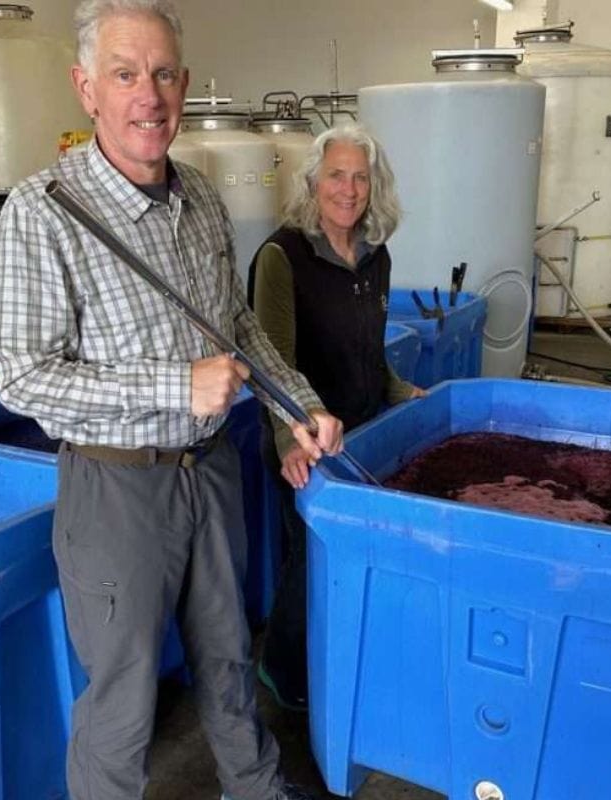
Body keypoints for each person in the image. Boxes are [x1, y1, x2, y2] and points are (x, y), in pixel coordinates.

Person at [0, 2, 342, 799]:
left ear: (183, 83)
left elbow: (239, 325)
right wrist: (173, 385)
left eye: (163, 73)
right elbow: (20, 378)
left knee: (227, 658)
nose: (148, 94)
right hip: (117, 490)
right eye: (124, 74)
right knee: (122, 704)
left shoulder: (204, 200)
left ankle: (254, 789)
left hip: (212, 470)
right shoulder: (41, 213)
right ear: (87, 89)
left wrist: (297, 409)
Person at [248, 124, 423, 710]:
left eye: (360, 177)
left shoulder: (376, 255)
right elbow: (270, 361)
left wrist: (399, 391)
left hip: (365, 431)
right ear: (312, 183)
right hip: (308, 443)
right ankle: (284, 673)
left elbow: (370, 346)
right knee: (309, 560)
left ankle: (347, 653)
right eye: (335, 175)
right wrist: (288, 440)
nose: (348, 190)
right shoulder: (282, 256)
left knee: (359, 554)